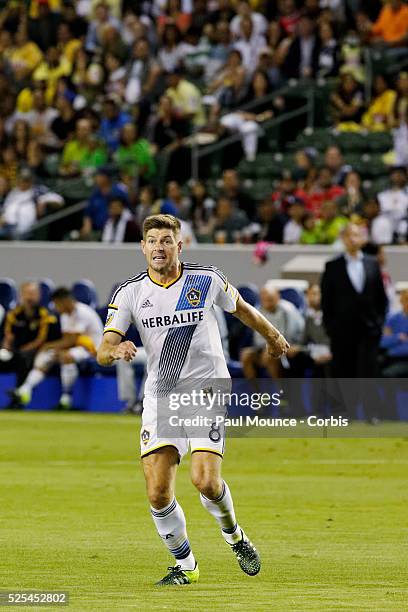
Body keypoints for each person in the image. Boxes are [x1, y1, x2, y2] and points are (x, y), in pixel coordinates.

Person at [96, 213, 289, 586]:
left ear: (179, 245)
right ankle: (186, 565)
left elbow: (243, 310)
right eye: (152, 241)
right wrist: (115, 350)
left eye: (166, 241)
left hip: (206, 389)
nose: (158, 248)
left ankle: (235, 536)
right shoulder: (130, 293)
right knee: (156, 491)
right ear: (142, 247)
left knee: (204, 481)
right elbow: (102, 349)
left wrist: (273, 335)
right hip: (161, 394)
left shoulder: (206, 278)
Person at [12, 287, 103, 410]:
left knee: (65, 356)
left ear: (64, 301)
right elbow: (67, 339)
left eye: (56, 304)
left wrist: (49, 346)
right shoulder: (65, 315)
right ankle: (25, 390)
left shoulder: (83, 313)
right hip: (76, 347)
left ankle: (66, 399)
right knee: (47, 355)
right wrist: (52, 349)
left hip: (93, 349)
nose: (55, 307)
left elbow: (72, 340)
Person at [321, 223, 388, 378]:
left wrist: (379, 323)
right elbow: (327, 300)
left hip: (369, 330)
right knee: (344, 373)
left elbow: (381, 298)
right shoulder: (332, 266)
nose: (352, 239)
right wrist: (330, 327)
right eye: (348, 235)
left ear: (363, 238)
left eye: (356, 235)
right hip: (341, 331)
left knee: (368, 372)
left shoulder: (373, 263)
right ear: (342, 239)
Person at [1, 282, 58, 407]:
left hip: (36, 353)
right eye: (27, 294)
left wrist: (21, 351)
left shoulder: (46, 315)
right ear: (21, 295)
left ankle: (18, 399)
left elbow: (41, 340)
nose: (29, 298)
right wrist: (6, 347)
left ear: (39, 295)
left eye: (33, 294)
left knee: (23, 358)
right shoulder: (13, 314)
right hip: (15, 352)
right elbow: (7, 335)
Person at [241, 283, 304, 380]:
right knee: (246, 355)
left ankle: (279, 392)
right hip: (262, 347)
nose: (267, 302)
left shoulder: (288, 310)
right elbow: (256, 336)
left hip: (284, 347)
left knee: (269, 357)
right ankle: (256, 393)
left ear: (277, 297)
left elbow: (291, 335)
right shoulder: (258, 310)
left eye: (270, 299)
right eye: (264, 298)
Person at [381, 289, 408, 377]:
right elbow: (382, 342)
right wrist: (398, 337)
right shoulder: (393, 319)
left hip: (404, 360)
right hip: (390, 357)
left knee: (388, 374)